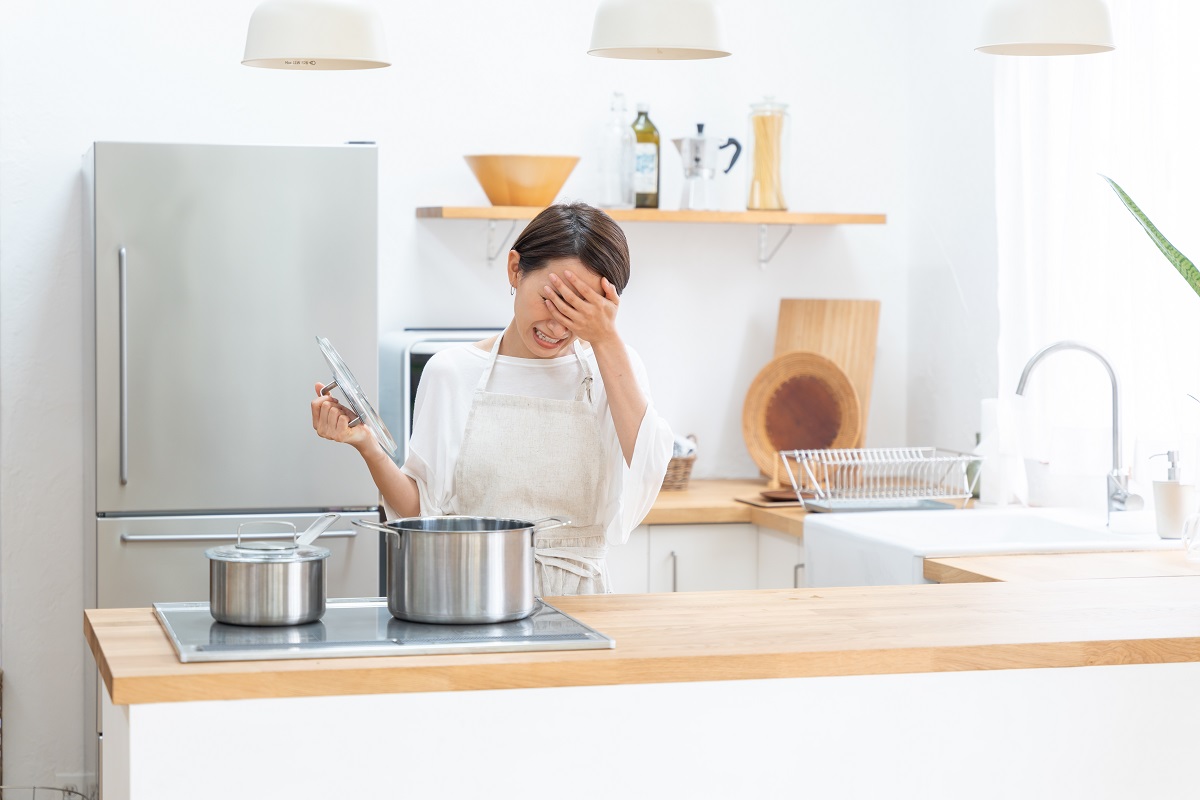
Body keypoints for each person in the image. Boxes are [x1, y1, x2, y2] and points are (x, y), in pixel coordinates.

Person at [312, 202, 673, 595]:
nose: (557, 325)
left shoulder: (613, 369)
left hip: (579, 603)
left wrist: (605, 339)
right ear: (515, 269)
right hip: (472, 595)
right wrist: (367, 446)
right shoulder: (451, 371)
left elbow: (649, 469)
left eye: (579, 309)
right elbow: (421, 512)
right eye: (553, 299)